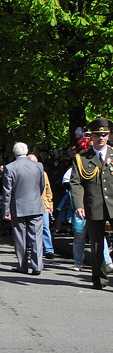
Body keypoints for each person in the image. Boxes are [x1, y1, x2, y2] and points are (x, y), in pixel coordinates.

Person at [70, 117, 113, 289]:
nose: (101, 138)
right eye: (97, 135)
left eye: (104, 134)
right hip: (93, 205)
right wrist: (78, 205)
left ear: (108, 135)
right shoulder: (81, 159)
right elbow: (76, 183)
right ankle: (99, 278)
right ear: (92, 138)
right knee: (96, 245)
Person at [3, 142, 46, 275]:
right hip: (35, 205)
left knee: (20, 238)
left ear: (14, 153)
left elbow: (7, 191)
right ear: (26, 152)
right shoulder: (38, 165)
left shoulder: (10, 168)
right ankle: (37, 265)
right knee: (36, 237)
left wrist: (6, 210)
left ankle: (22, 265)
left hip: (18, 207)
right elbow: (42, 185)